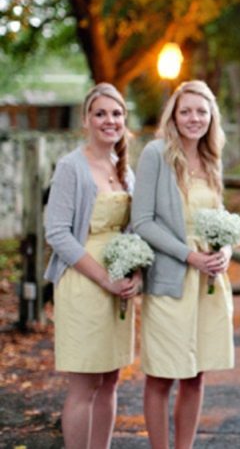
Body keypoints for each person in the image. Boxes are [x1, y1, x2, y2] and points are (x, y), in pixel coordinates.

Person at [131, 80, 234, 449]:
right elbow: (142, 220)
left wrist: (226, 253)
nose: (194, 118)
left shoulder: (211, 159)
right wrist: (189, 255)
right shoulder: (155, 154)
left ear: (211, 117)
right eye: (186, 110)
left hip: (208, 284)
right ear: (173, 114)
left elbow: (220, 218)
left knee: (196, 376)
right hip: (171, 279)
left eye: (201, 111)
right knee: (162, 376)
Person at [44, 83, 140, 449]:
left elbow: (132, 229)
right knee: (84, 384)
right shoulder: (72, 166)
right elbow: (58, 234)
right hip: (85, 285)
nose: (109, 121)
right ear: (85, 120)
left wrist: (134, 271)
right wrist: (105, 279)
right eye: (100, 114)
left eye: (116, 114)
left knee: (111, 380)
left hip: (119, 285)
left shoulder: (124, 169)